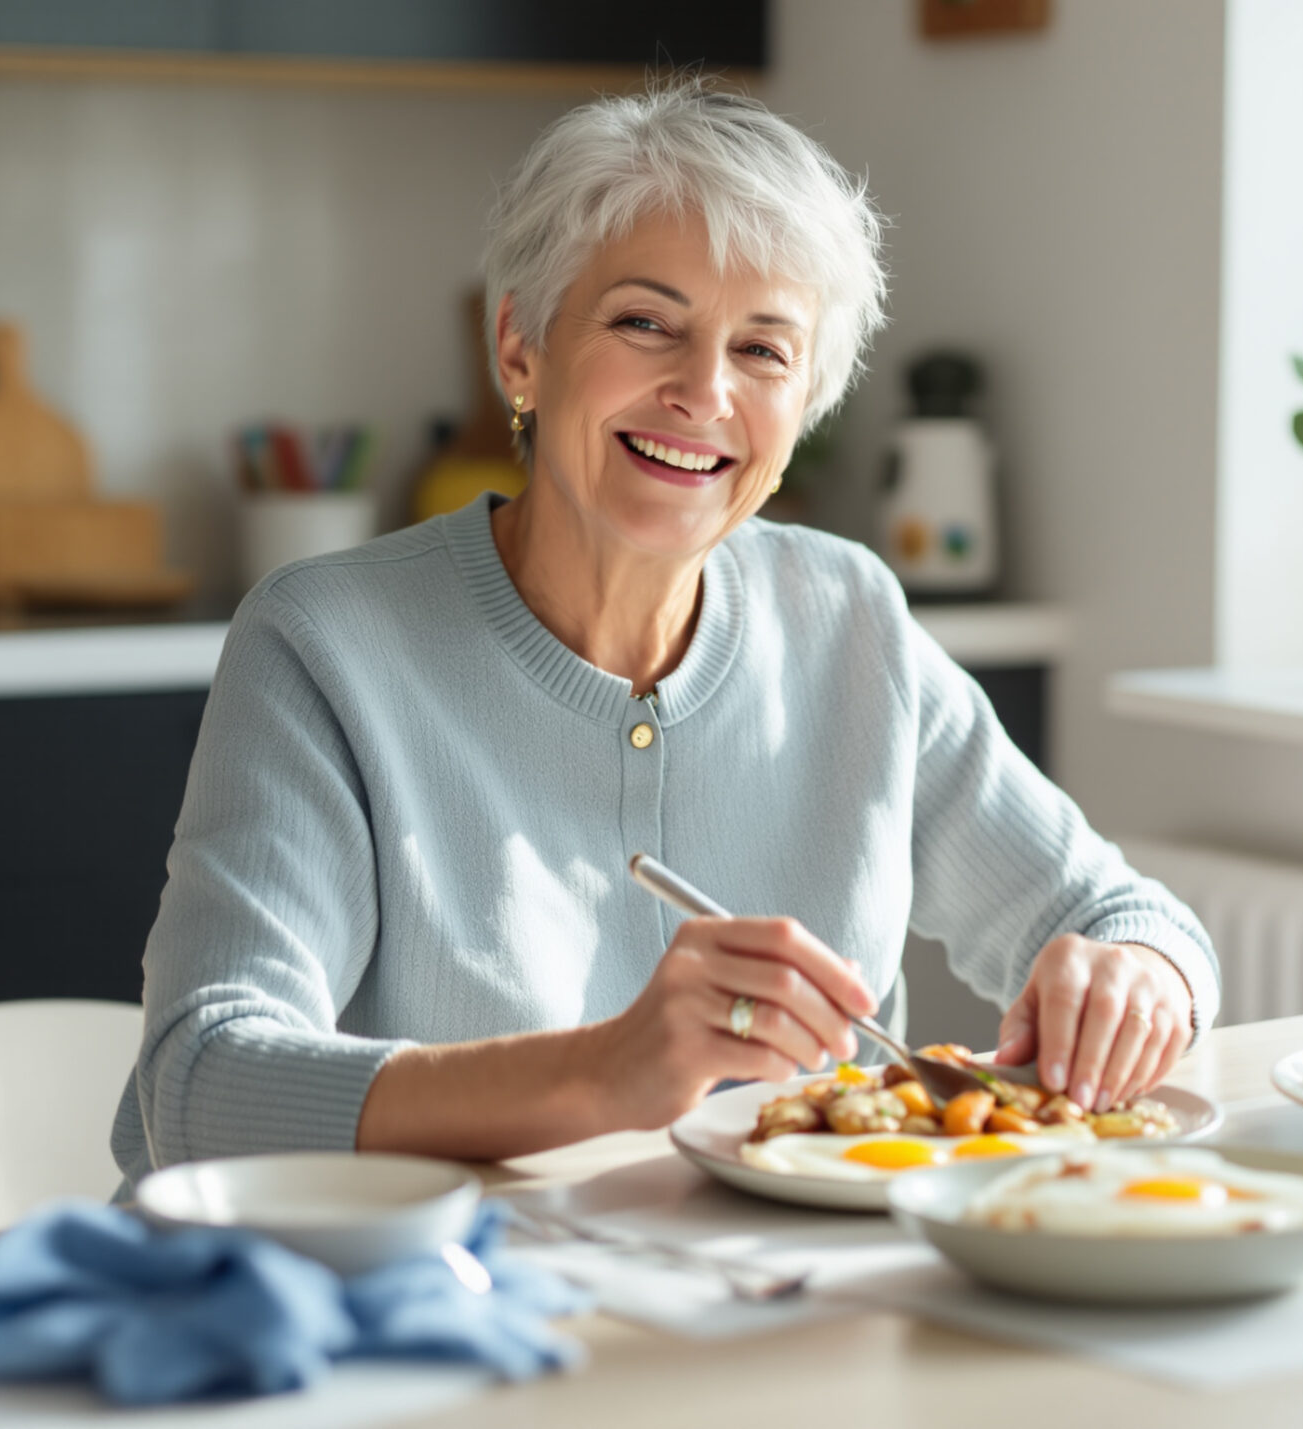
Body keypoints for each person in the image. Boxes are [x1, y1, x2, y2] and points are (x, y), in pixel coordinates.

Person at [113, 80, 1216, 1179]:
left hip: (759, 1303)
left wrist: (1134, 974)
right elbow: (198, 1087)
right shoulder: (325, 642)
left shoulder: (849, 619)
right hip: (415, 1312)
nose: (703, 391)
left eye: (764, 350)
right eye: (645, 322)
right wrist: (603, 1072)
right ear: (520, 349)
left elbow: (1122, 914)